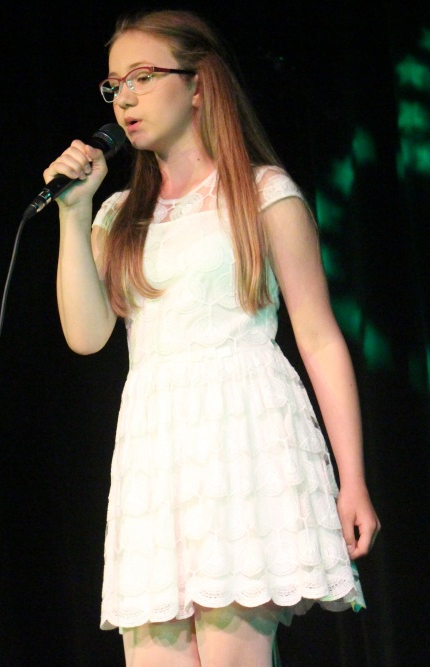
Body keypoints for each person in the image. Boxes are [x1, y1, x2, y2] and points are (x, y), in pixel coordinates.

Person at [44, 8, 380, 666]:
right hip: (156, 447)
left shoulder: (262, 195)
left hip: (243, 435)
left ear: (198, 84)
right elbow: (86, 335)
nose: (126, 99)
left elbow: (319, 339)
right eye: (115, 85)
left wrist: (353, 479)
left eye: (143, 76)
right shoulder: (118, 215)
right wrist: (74, 216)